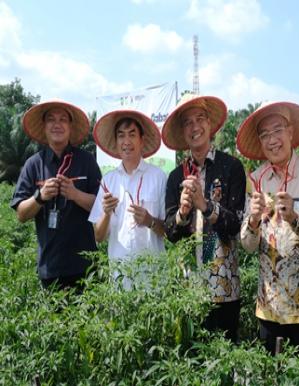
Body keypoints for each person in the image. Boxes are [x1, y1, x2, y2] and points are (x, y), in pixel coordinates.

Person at [237, 101, 299, 355]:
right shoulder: (255, 179)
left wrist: (295, 218)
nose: (272, 140)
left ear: (290, 132)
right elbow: (247, 245)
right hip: (270, 306)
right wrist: (254, 220)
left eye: (277, 130)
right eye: (265, 135)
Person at [162, 94, 246, 343]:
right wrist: (182, 214)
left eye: (200, 119)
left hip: (224, 286)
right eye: (187, 122)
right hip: (188, 287)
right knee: (193, 360)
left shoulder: (231, 167)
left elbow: (235, 225)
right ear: (182, 131)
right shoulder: (176, 177)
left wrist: (205, 206)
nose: (195, 127)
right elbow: (170, 233)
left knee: (225, 360)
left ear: (210, 124)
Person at [11, 100, 101, 291]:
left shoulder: (87, 161)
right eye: (51, 120)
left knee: (89, 320)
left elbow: (101, 207)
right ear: (44, 127)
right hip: (50, 266)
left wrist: (75, 194)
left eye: (63, 120)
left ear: (70, 126)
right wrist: (40, 197)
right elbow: (21, 214)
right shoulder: (33, 164)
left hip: (85, 266)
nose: (57, 124)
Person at [89, 110, 166, 290]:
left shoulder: (159, 177)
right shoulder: (108, 181)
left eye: (132, 134)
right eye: (121, 136)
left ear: (142, 139)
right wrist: (107, 213)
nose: (126, 141)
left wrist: (150, 221)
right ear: (116, 142)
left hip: (153, 280)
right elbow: (98, 237)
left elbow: (169, 231)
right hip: (119, 280)